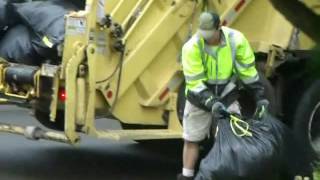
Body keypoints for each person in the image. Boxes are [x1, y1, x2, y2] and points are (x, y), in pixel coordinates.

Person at [177, 12, 269, 180]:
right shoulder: (191, 47)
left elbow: (247, 72)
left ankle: (229, 175)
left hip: (227, 95)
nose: (206, 38)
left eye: (209, 34)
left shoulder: (237, 40)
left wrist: (259, 96)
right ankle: (187, 176)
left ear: (219, 27)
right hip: (199, 98)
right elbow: (195, 84)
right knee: (192, 139)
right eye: (203, 34)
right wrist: (211, 102)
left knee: (233, 139)